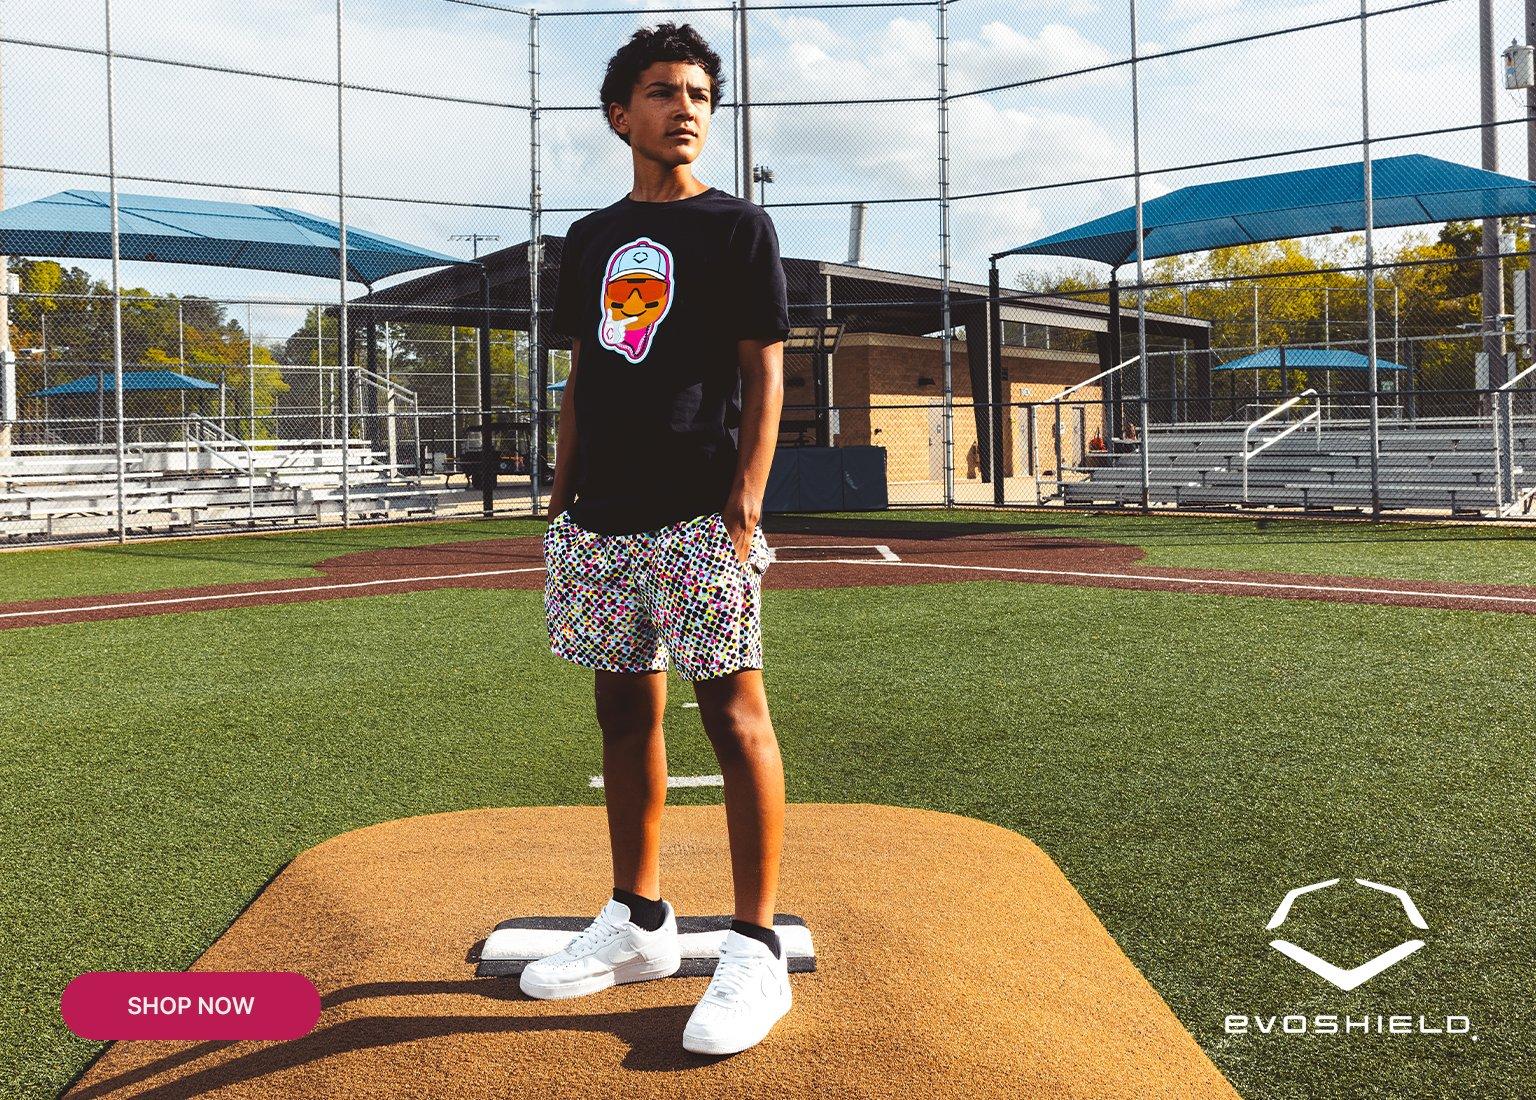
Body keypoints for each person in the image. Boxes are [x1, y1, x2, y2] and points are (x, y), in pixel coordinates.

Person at [520, 22, 793, 1057]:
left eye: (698, 94)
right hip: (599, 516)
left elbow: (764, 368)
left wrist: (747, 502)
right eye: (662, 91)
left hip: (696, 511)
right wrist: (558, 490)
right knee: (621, 708)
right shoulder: (588, 239)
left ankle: (755, 945)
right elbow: (586, 369)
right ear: (618, 114)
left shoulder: (739, 229)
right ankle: (638, 921)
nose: (685, 108)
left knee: (734, 714)